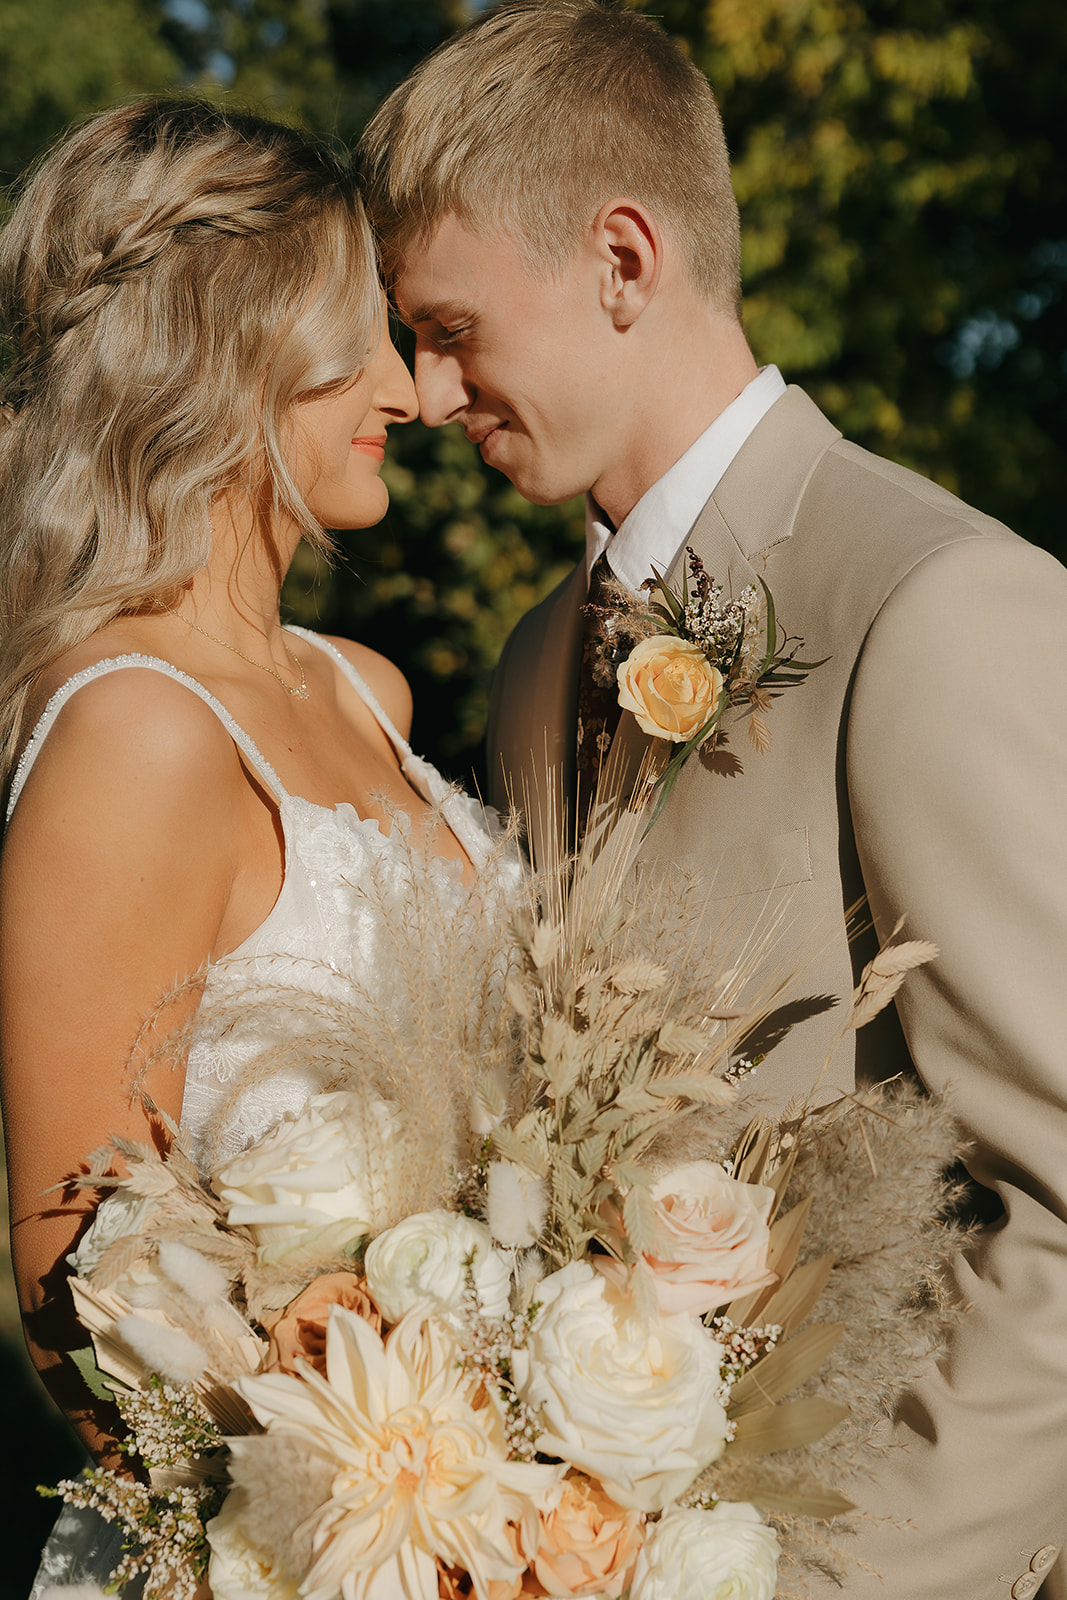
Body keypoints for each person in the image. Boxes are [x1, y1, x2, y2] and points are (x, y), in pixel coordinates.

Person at [358, 3, 1067, 1595]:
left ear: (623, 259)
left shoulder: (936, 609)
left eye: (452, 325)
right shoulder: (540, 662)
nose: (421, 386)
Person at [0, 97, 516, 1594]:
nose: (412, 392)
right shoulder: (135, 735)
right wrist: (367, 1517)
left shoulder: (369, 686)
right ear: (232, 349)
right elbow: (76, 1311)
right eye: (359, 336)